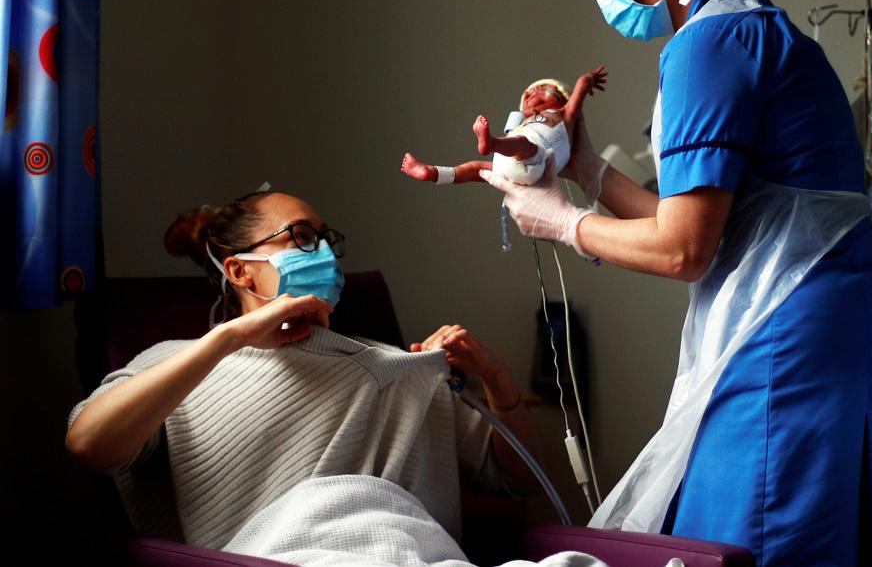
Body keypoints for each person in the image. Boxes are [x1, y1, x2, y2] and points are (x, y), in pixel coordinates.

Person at [480, 0, 872, 567]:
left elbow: (686, 250)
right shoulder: (756, 28)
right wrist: (585, 170)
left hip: (786, 341)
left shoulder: (705, 49)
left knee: (755, 546)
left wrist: (559, 222)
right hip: (838, 328)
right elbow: (710, 217)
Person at [65, 190, 540, 552]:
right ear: (240, 271)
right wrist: (229, 339)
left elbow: (514, 478)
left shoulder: (395, 368)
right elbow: (90, 445)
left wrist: (496, 380)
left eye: (325, 238)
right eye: (302, 237)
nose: (325, 255)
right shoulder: (181, 363)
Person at [402, 66, 606, 188]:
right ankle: (432, 172)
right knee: (475, 169)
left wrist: (589, 79)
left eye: (546, 93)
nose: (533, 94)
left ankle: (491, 143)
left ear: (563, 101)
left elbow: (580, 87)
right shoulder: (521, 123)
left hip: (537, 161)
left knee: (524, 145)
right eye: (530, 94)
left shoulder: (565, 115)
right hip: (508, 164)